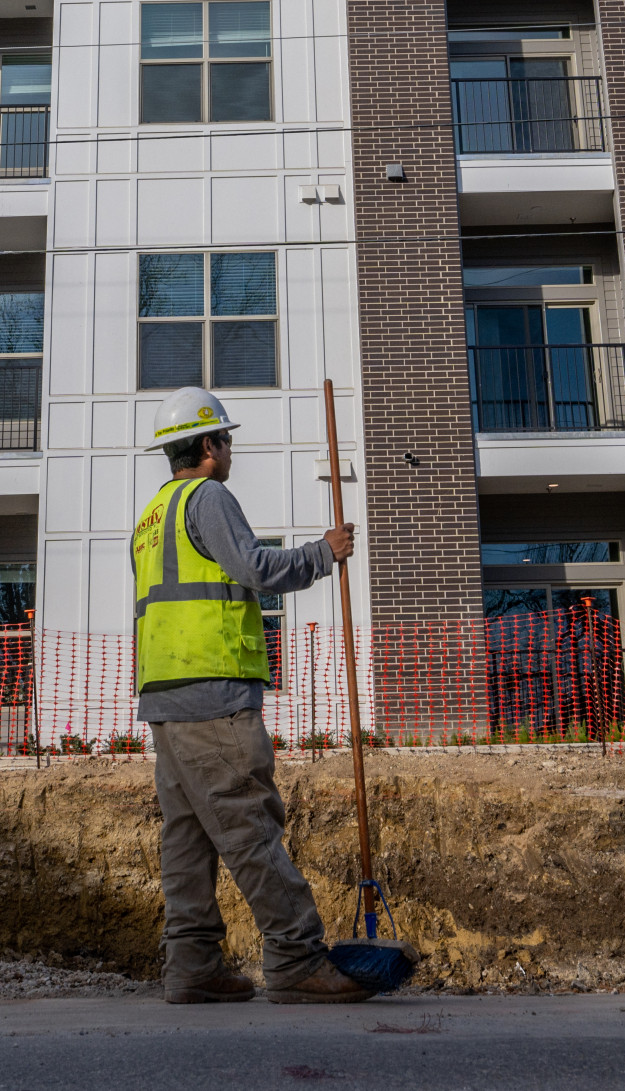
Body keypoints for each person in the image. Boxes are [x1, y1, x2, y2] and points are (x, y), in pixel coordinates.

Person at [134, 386, 367, 1004]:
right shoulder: (208, 496)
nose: (230, 451)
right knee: (248, 828)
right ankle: (294, 959)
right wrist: (324, 553)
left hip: (166, 698)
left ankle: (193, 968)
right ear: (208, 446)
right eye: (226, 440)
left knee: (187, 839)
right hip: (213, 696)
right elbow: (255, 568)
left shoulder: (153, 514)